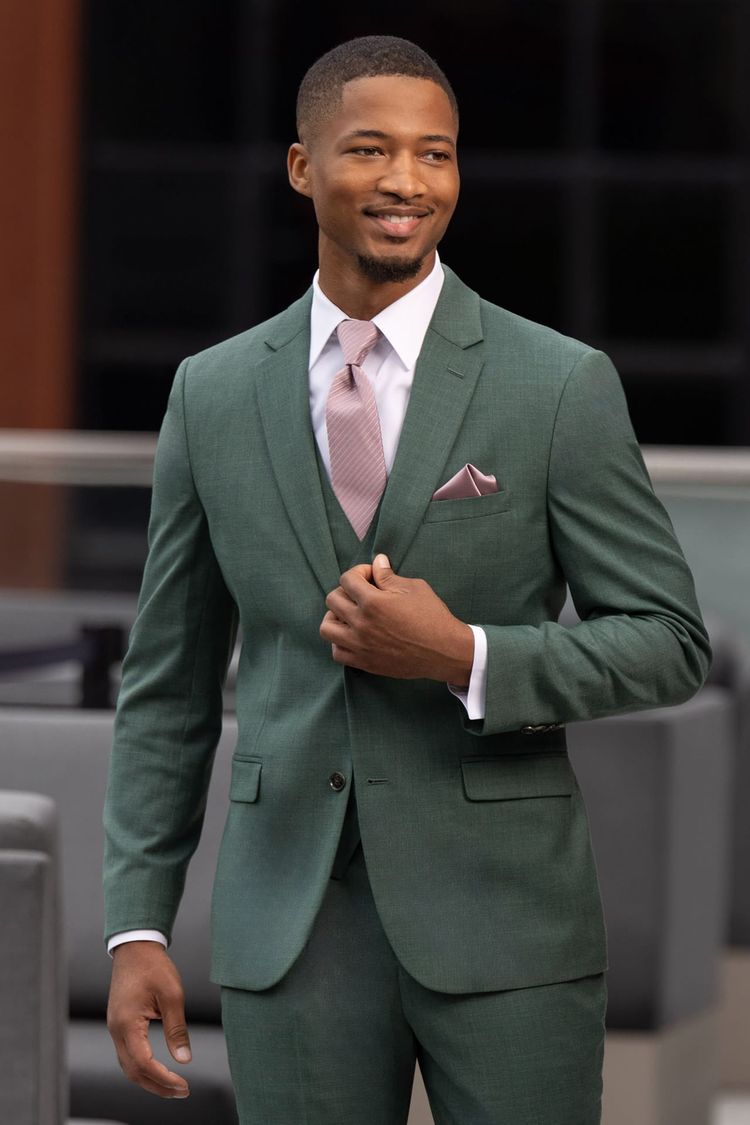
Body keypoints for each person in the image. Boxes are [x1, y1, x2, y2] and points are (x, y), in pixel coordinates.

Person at [103, 34, 711, 1125]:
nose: (407, 182)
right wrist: (137, 922)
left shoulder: (558, 386)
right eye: (372, 150)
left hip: (510, 921)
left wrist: (464, 655)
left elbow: (668, 638)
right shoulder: (211, 393)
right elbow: (167, 685)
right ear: (302, 167)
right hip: (289, 925)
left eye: (437, 155)